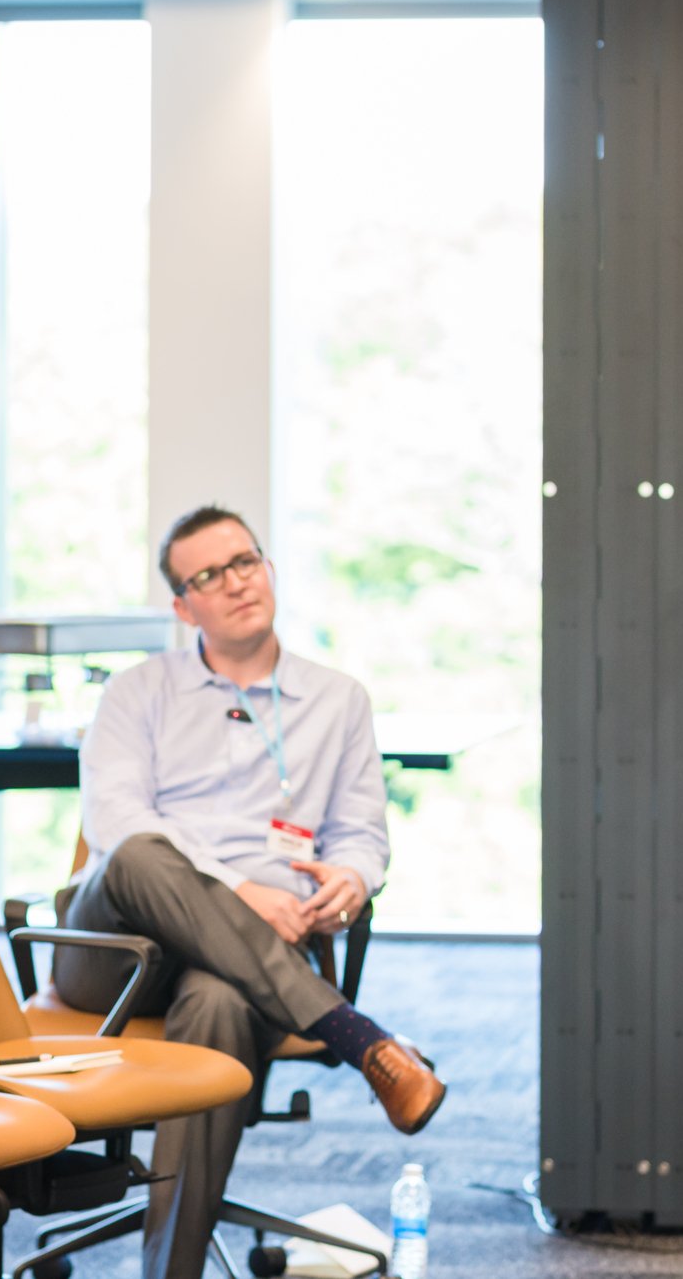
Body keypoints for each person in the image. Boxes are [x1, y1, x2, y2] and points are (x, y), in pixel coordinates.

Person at [53, 505, 446, 1279]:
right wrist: (236, 892)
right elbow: (116, 822)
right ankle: (359, 1038)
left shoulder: (338, 700)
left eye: (245, 562)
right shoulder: (137, 692)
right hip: (117, 950)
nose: (235, 584)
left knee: (221, 1001)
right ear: (182, 606)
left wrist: (352, 878)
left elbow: (364, 833)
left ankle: (171, 1272)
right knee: (138, 850)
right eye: (208, 576)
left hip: (249, 958)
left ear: (266, 568)